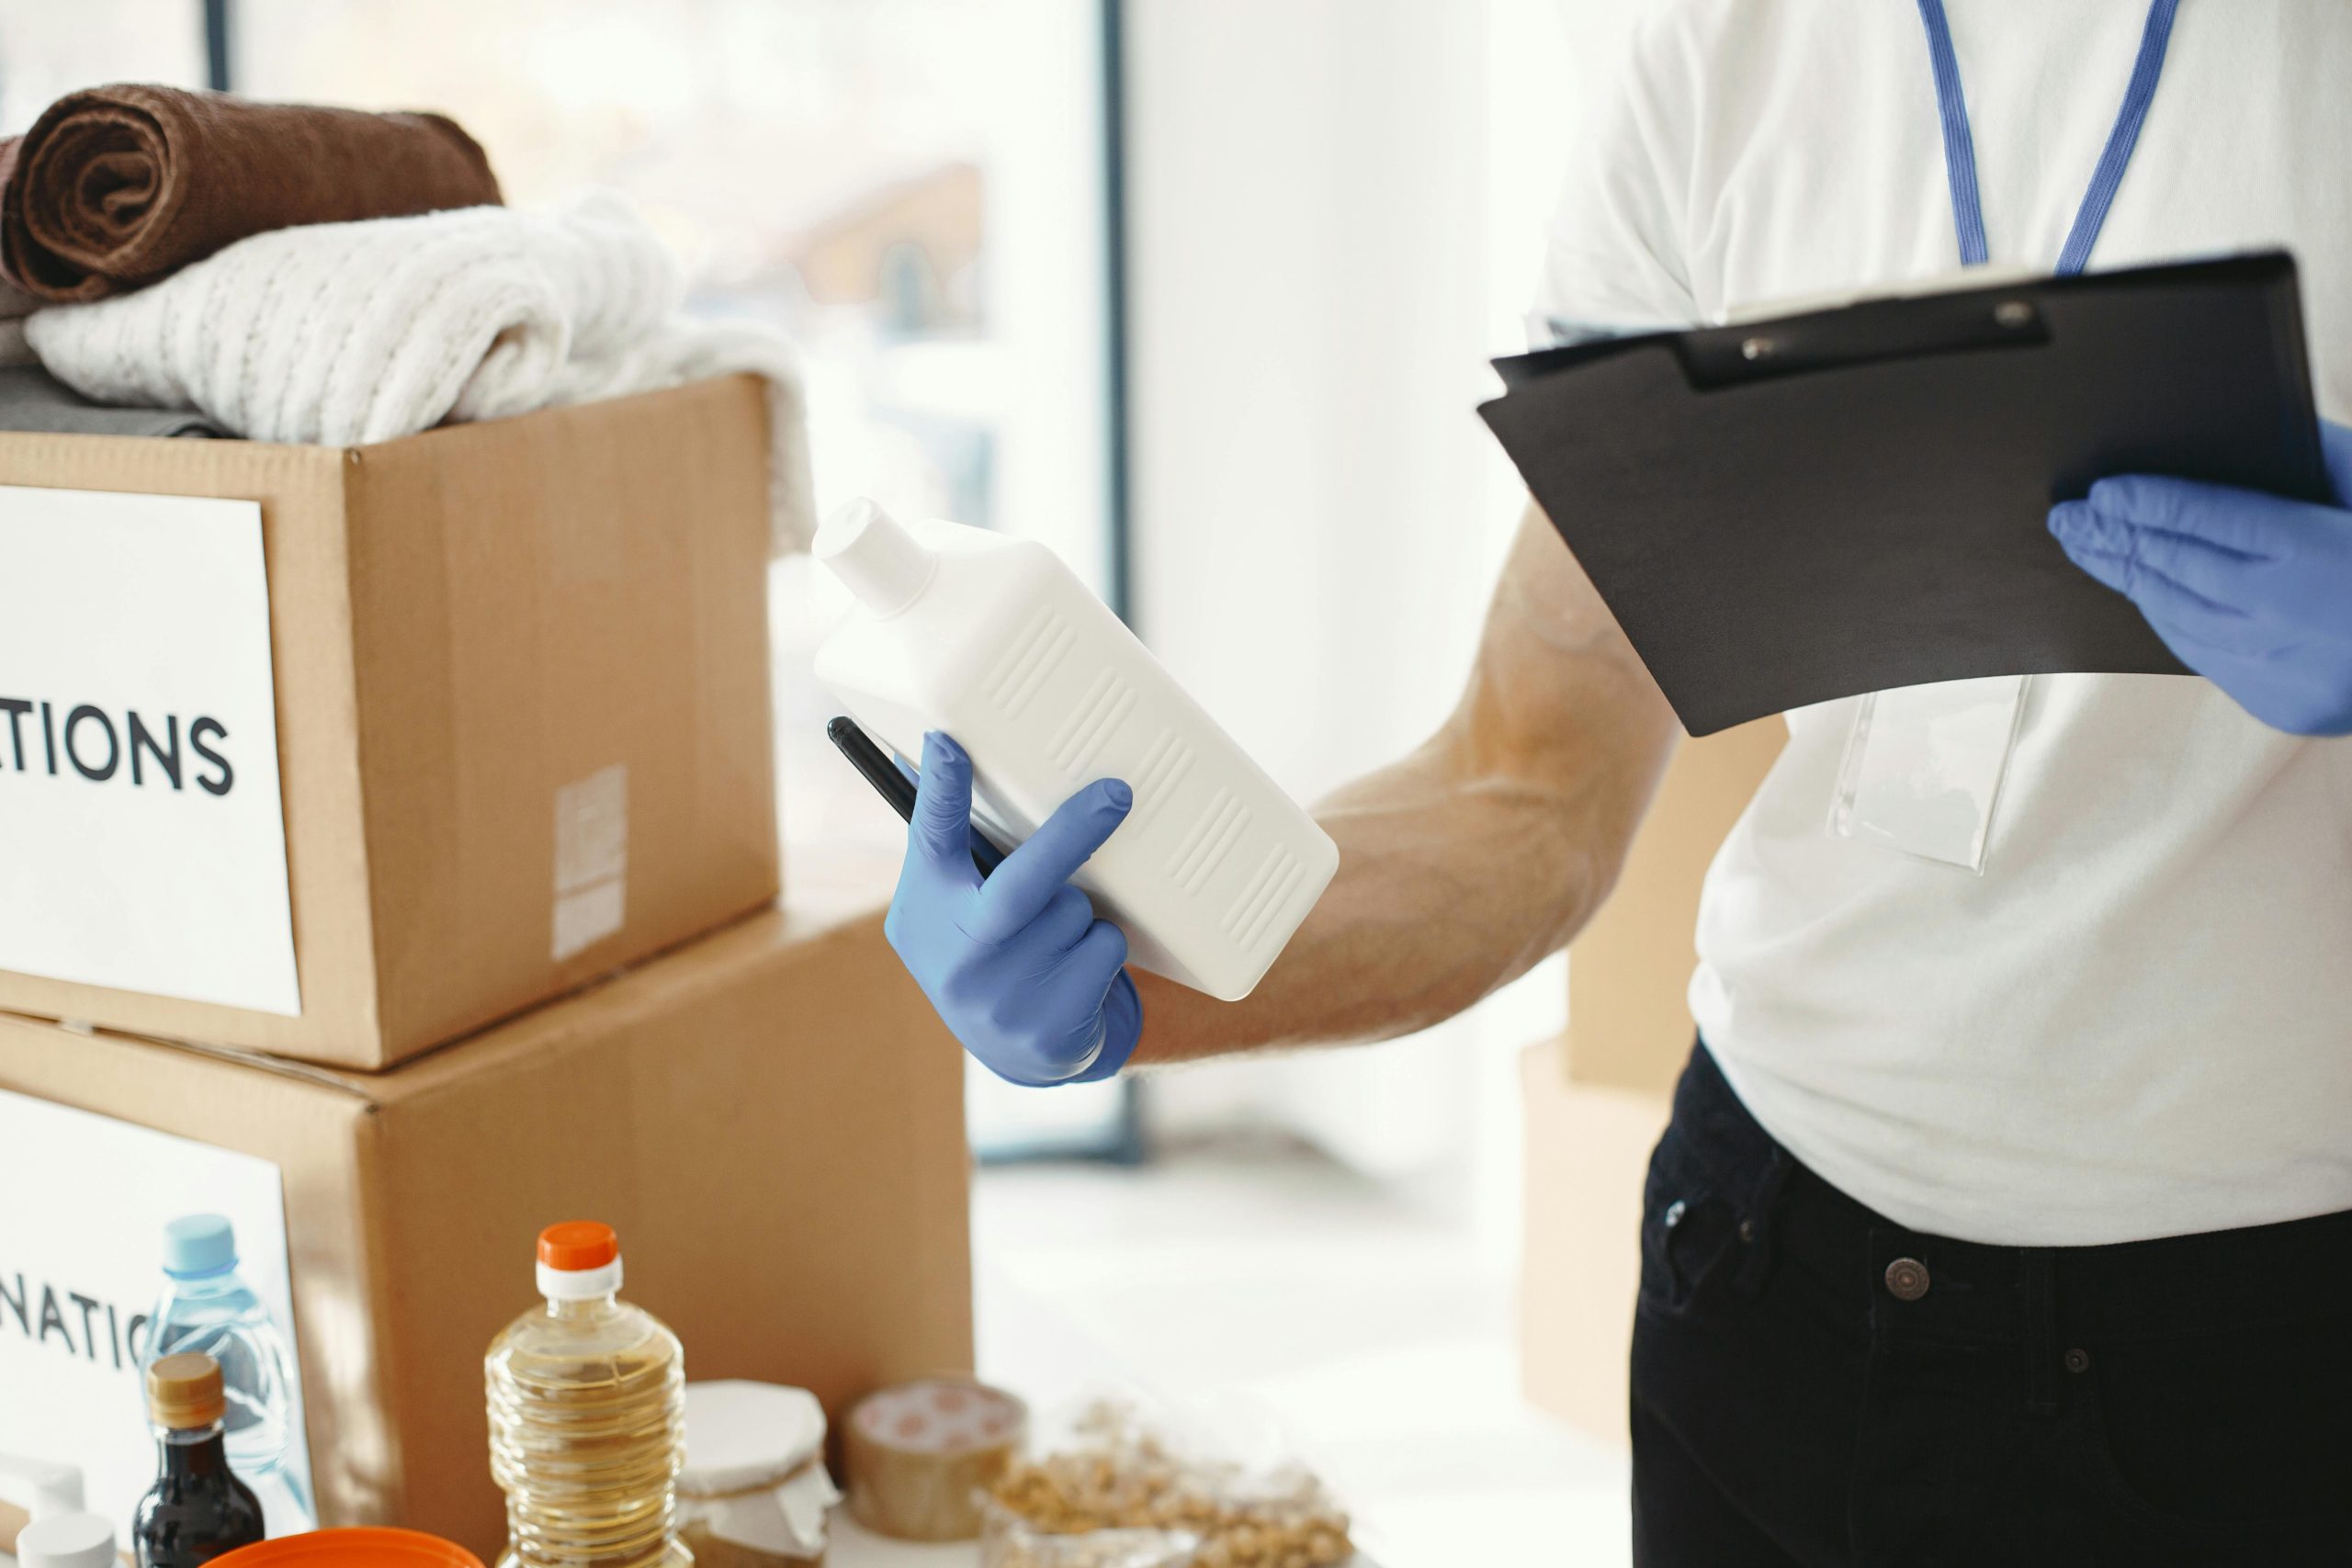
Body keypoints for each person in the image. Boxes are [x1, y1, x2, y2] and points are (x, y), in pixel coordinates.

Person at [881, 2, 2352, 1562]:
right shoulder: (1727, 58)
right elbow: (1526, 791)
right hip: (1769, 1269)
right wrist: (1148, 963)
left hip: (2262, 1340)